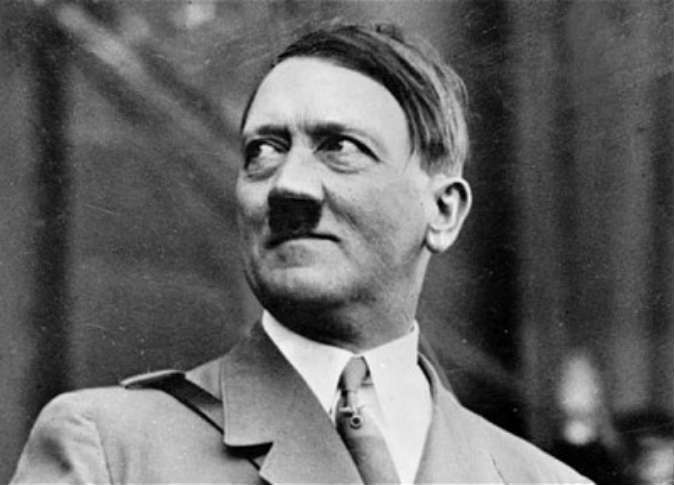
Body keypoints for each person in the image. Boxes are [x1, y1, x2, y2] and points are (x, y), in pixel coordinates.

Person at [11, 23, 591, 484]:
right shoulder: (109, 450)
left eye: (340, 147)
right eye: (263, 151)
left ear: (443, 212)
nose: (287, 186)